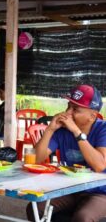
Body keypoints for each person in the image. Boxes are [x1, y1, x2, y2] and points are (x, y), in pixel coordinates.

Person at [27, 84, 106, 222]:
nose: (67, 113)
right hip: (69, 189)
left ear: (92, 116)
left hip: (100, 192)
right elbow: (35, 160)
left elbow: (100, 166)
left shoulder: (102, 129)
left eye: (75, 109)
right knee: (35, 208)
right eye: (68, 106)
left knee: (83, 218)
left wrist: (76, 132)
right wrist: (50, 129)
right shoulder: (61, 131)